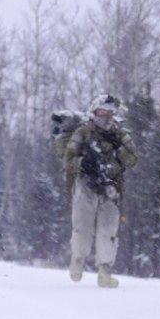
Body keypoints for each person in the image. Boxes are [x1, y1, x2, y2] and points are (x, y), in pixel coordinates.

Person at [64, 94, 138, 289]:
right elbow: (68, 160)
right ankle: (78, 259)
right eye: (101, 112)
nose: (104, 116)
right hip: (86, 184)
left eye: (108, 112)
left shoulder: (120, 134)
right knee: (82, 227)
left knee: (108, 230)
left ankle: (104, 270)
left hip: (111, 187)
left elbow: (133, 157)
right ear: (94, 112)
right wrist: (84, 163)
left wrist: (115, 157)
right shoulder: (83, 132)